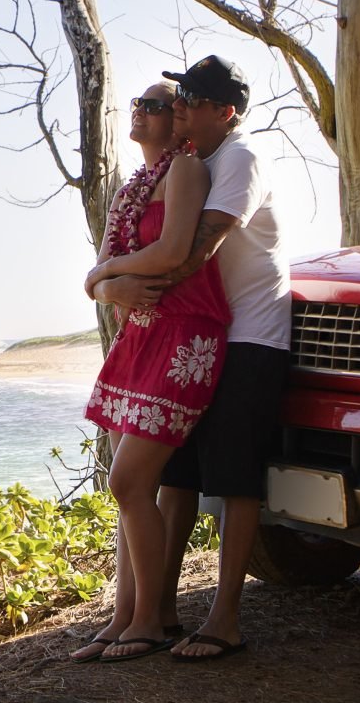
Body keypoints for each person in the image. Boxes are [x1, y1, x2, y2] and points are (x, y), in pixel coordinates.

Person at [93, 54, 287, 662]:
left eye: (188, 100)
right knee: (173, 477)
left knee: (233, 477)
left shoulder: (236, 159)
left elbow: (192, 253)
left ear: (223, 112)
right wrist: (110, 287)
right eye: (171, 100)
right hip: (188, 330)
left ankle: (223, 619)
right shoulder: (188, 162)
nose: (178, 108)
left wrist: (107, 280)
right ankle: (154, 613)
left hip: (248, 333)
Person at [71, 82, 231, 663]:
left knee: (128, 481)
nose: (140, 112)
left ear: (178, 120)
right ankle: (125, 616)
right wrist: (105, 284)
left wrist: (104, 275)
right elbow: (102, 277)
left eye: (155, 106)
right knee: (131, 491)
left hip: (184, 334)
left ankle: (149, 620)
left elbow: (171, 253)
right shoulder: (130, 189)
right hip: (138, 335)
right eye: (137, 104)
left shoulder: (186, 171)